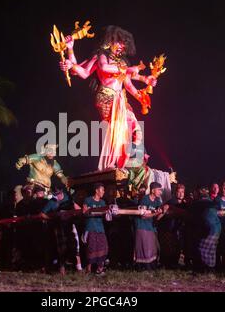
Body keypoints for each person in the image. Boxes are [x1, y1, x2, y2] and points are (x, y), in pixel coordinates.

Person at [60, 25, 157, 170]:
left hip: (120, 99)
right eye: (119, 42)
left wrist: (144, 88)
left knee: (135, 128)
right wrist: (70, 51)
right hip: (105, 97)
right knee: (116, 131)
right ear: (110, 41)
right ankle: (110, 164)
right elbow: (86, 71)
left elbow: (129, 83)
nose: (121, 46)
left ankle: (126, 159)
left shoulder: (123, 63)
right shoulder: (101, 56)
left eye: (124, 44)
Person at [40, 187, 81, 275]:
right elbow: (42, 214)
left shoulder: (68, 198)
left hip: (70, 225)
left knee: (75, 246)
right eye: (54, 194)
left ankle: (79, 268)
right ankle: (62, 269)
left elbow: (78, 209)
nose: (56, 196)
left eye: (57, 194)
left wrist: (74, 213)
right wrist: (52, 218)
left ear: (61, 192)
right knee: (62, 248)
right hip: (59, 227)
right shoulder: (51, 202)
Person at [134, 182, 165, 270]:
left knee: (153, 248)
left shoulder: (157, 201)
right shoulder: (145, 199)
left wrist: (163, 212)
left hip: (151, 227)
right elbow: (143, 216)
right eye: (159, 190)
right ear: (152, 190)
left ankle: (151, 267)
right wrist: (155, 213)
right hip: (142, 226)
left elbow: (157, 217)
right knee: (144, 247)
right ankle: (142, 267)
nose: (160, 192)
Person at [158, 184, 186, 268]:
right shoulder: (170, 203)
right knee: (168, 248)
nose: (181, 194)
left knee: (177, 247)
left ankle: (174, 263)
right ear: (175, 192)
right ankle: (165, 264)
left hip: (178, 229)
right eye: (179, 192)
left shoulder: (184, 204)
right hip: (169, 228)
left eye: (182, 192)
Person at [82, 182, 108, 275]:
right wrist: (90, 211)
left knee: (102, 247)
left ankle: (99, 268)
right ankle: (88, 269)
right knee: (91, 248)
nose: (103, 192)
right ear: (96, 190)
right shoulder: (88, 200)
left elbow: (105, 214)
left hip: (100, 228)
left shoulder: (103, 202)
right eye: (102, 190)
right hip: (91, 227)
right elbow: (84, 212)